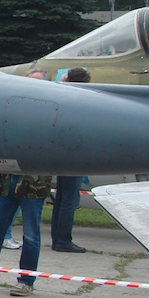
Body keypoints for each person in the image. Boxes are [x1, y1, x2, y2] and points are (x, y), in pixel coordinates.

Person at [0, 68, 50, 250]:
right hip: (10, 178)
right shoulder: (15, 108)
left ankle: (26, 278)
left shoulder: (51, 112)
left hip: (34, 183)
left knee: (31, 234)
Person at [51, 67, 91, 253]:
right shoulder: (84, 101)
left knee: (61, 198)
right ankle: (63, 240)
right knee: (69, 199)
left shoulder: (63, 97)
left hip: (61, 154)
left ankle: (57, 238)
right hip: (75, 155)